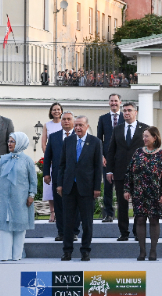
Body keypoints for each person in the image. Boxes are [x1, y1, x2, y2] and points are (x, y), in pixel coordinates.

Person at [57, 116, 102, 261]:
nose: (77, 128)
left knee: (87, 221)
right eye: (76, 125)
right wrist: (60, 184)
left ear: (87, 126)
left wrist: (97, 187)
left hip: (87, 188)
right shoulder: (68, 141)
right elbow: (62, 165)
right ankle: (67, 251)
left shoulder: (95, 142)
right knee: (68, 221)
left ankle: (85, 250)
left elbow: (97, 167)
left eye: (80, 125)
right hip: (69, 187)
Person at [123, 127, 162, 261]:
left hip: (155, 193)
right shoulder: (138, 152)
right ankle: (142, 251)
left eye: (147, 136)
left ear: (155, 138)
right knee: (140, 219)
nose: (144, 139)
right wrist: (127, 189)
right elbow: (129, 172)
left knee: (154, 220)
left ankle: (153, 251)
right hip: (139, 192)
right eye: (143, 136)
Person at [106, 102, 149, 241]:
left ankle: (138, 231)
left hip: (139, 172)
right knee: (122, 203)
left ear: (135, 112)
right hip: (120, 172)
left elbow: (149, 150)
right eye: (124, 110)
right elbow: (111, 150)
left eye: (129, 110)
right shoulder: (117, 129)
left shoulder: (145, 129)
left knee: (138, 203)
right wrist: (109, 171)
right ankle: (124, 232)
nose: (126, 113)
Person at [0, 132, 37, 261]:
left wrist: (31, 195)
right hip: (3, 199)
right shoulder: (3, 159)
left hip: (21, 199)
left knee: (19, 227)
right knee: (4, 227)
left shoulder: (27, 160)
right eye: (9, 141)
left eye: (12, 141)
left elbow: (33, 180)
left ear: (20, 143)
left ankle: (17, 256)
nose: (9, 144)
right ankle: (4, 256)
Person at [43, 111, 80, 242]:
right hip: (58, 176)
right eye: (64, 119)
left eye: (69, 119)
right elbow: (47, 157)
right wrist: (46, 173)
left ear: (73, 121)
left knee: (75, 205)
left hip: (75, 178)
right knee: (59, 205)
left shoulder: (80, 136)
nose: (66, 121)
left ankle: (74, 232)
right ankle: (62, 232)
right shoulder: (53, 137)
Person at [96, 93, 123, 223]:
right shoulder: (103, 118)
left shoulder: (125, 117)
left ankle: (122, 214)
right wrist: (101, 155)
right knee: (107, 187)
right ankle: (108, 214)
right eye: (111, 101)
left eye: (116, 101)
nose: (114, 103)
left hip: (121, 157)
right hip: (107, 158)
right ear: (109, 103)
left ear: (120, 102)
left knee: (122, 186)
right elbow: (99, 139)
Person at [41, 102, 63, 223]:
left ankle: (62, 210)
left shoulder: (64, 123)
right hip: (52, 161)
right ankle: (52, 212)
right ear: (51, 111)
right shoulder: (47, 125)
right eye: (54, 109)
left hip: (63, 160)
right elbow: (44, 143)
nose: (56, 111)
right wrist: (49, 157)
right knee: (50, 187)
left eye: (58, 109)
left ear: (61, 111)